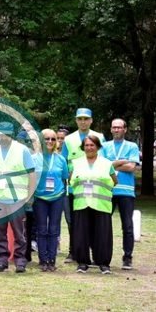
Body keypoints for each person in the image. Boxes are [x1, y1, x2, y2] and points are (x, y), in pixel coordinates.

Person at [0, 123, 35, 273]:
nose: (3, 138)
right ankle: (1, 260)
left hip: (17, 199)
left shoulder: (22, 150)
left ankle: (20, 261)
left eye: (6, 135)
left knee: (19, 233)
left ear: (12, 135)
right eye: (1, 135)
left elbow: (31, 174)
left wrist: (29, 195)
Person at [62, 108, 104, 263]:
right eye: (80, 119)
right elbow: (63, 162)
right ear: (76, 120)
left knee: (92, 220)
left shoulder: (99, 137)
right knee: (72, 220)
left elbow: (103, 160)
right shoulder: (68, 139)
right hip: (73, 187)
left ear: (91, 120)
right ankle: (73, 251)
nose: (83, 121)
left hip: (93, 187)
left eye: (86, 118)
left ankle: (92, 252)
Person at [70, 135, 117, 274]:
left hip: (101, 203)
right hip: (82, 203)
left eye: (92, 145)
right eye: (86, 145)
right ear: (83, 147)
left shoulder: (107, 163)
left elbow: (115, 181)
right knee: (81, 234)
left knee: (102, 234)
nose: (89, 148)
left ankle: (103, 263)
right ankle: (82, 262)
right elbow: (71, 180)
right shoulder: (76, 163)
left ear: (98, 146)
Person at [101, 119, 139, 270]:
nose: (116, 130)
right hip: (107, 190)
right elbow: (102, 165)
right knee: (103, 225)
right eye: (114, 127)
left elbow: (131, 167)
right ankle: (102, 256)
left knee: (127, 226)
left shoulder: (132, 146)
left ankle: (127, 257)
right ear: (110, 130)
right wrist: (121, 161)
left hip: (126, 191)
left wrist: (112, 163)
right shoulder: (104, 146)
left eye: (119, 127)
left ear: (125, 129)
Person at [33, 129, 67, 272]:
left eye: (53, 139)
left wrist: (61, 194)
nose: (50, 142)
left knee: (53, 229)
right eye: (47, 139)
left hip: (57, 197)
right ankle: (42, 260)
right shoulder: (34, 158)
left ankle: (52, 260)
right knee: (41, 230)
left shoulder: (61, 159)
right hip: (40, 198)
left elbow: (65, 178)